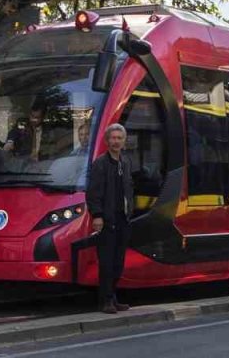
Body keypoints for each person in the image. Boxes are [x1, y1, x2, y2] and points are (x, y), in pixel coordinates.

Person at [86, 123, 134, 314]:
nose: (116, 141)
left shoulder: (126, 162)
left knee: (118, 263)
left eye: (119, 138)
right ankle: (105, 300)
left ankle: (113, 297)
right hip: (106, 219)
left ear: (124, 141)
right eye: (112, 138)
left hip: (123, 219)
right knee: (106, 262)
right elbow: (94, 192)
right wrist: (97, 215)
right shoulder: (100, 163)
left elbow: (129, 188)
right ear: (107, 141)